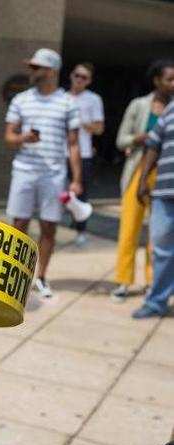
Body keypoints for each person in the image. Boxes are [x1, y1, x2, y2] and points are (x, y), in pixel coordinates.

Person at [4, 48, 83, 299]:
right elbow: (8, 137)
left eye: (37, 67)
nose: (32, 71)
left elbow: (73, 144)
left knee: (49, 227)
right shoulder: (21, 100)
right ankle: (13, 277)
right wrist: (22, 137)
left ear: (52, 71)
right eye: (32, 67)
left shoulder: (68, 102)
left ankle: (41, 277)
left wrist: (77, 179)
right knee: (18, 226)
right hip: (24, 171)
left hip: (54, 174)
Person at [112, 59, 174, 301]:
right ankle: (123, 281)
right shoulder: (139, 105)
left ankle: (152, 281)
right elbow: (121, 140)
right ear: (157, 80)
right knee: (129, 228)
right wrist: (144, 137)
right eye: (169, 79)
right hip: (139, 171)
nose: (173, 83)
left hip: (166, 177)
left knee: (159, 234)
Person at [132, 100, 174, 318]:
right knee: (161, 250)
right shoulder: (171, 108)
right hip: (164, 192)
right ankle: (156, 302)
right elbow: (153, 145)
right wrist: (142, 180)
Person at [66, 62, 104, 246]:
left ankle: (81, 231)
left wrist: (79, 122)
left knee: (81, 193)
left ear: (89, 81)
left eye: (84, 77)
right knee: (59, 193)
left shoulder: (93, 99)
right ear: (71, 75)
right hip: (59, 153)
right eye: (77, 75)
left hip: (83, 153)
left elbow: (99, 128)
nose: (79, 79)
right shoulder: (62, 97)